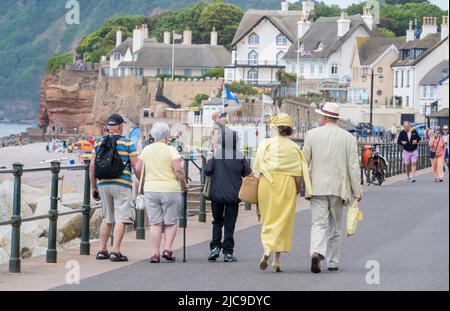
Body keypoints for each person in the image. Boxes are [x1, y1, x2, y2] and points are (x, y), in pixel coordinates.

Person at [303, 102, 362, 273]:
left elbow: (304, 162)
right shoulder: (348, 138)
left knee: (318, 223)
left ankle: (316, 251)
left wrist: (301, 184)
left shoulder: (311, 135)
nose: (320, 118)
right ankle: (333, 261)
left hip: (317, 187)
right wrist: (357, 191)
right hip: (338, 187)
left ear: (326, 117)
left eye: (321, 115)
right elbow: (353, 167)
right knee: (335, 226)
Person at [253, 113, 312, 272]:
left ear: (276, 127)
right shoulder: (294, 147)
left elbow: (257, 168)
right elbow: (298, 174)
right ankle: (276, 260)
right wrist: (297, 190)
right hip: (287, 185)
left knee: (269, 218)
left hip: (267, 183)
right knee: (283, 220)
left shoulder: (265, 144)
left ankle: (267, 247)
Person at [135, 122, 188, 263]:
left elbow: (138, 167)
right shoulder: (171, 150)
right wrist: (184, 184)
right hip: (170, 189)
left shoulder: (146, 150)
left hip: (151, 189)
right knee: (170, 221)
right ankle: (168, 249)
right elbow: (178, 170)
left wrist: (144, 180)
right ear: (166, 135)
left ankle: (154, 253)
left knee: (155, 223)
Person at [89, 114, 139, 262]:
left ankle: (102, 250)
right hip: (122, 184)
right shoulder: (128, 143)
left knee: (107, 218)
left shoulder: (98, 142)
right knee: (121, 218)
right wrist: (142, 182)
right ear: (120, 126)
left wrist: (94, 187)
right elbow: (136, 167)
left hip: (103, 183)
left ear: (108, 127)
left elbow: (92, 167)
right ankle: (115, 251)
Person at [205, 128, 252, 263]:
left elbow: (207, 171)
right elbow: (248, 174)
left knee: (217, 221)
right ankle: (228, 253)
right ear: (236, 142)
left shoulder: (216, 155)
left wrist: (210, 157)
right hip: (233, 196)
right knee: (230, 224)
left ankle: (214, 248)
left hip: (217, 194)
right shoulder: (240, 157)